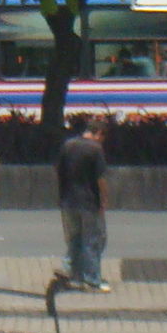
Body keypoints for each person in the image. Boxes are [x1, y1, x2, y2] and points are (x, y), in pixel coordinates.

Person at [54, 112, 111, 292]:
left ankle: (72, 273)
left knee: (75, 239)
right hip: (88, 202)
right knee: (93, 240)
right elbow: (100, 179)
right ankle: (92, 280)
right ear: (98, 133)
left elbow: (58, 171)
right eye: (102, 137)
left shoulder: (68, 145)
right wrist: (103, 201)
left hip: (68, 201)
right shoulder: (95, 150)